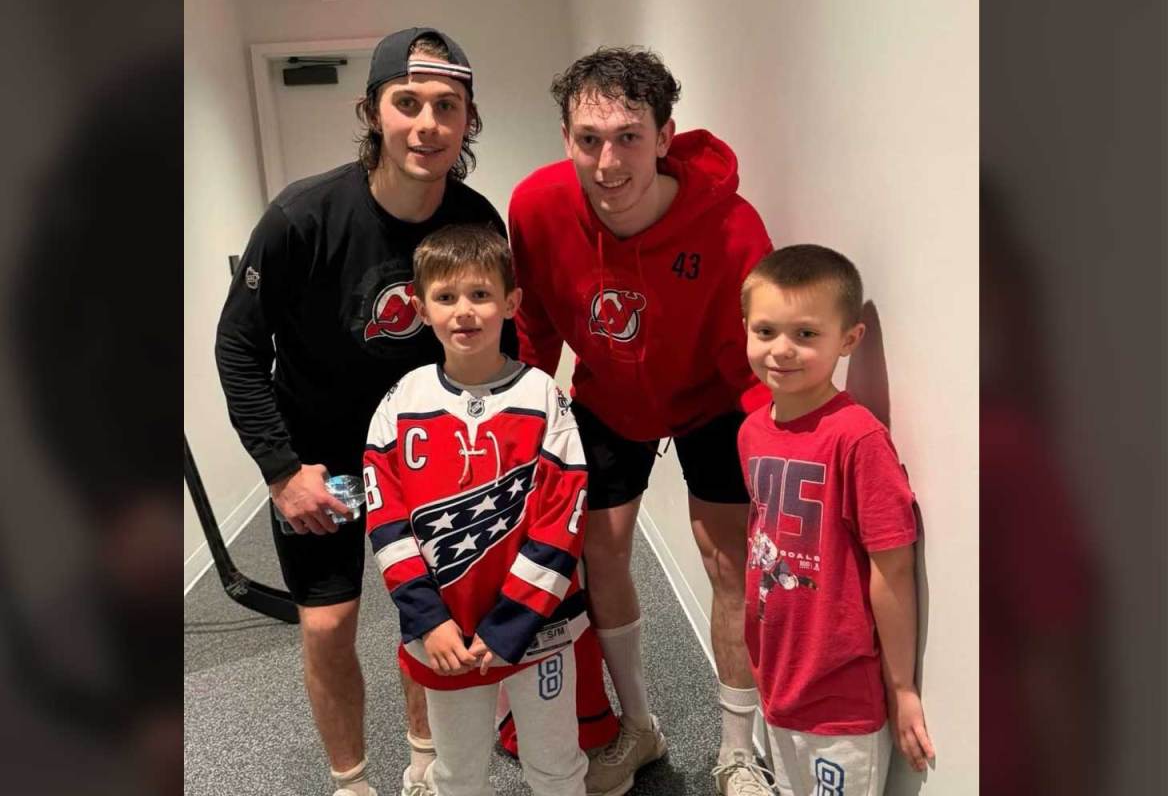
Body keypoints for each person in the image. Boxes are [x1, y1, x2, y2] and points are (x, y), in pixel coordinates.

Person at [215, 27, 510, 796]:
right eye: (407, 102)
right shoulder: (301, 217)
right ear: (373, 109)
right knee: (329, 621)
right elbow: (237, 350)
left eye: (447, 106)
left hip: (428, 461)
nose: (427, 123)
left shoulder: (476, 222)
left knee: (431, 615)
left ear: (468, 121)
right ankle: (351, 781)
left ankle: (423, 760)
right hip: (325, 464)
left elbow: (485, 343)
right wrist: (282, 474)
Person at [508, 46, 774, 795]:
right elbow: (534, 327)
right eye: (588, 139)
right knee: (600, 550)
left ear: (664, 136)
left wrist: (778, 457)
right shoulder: (535, 205)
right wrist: (524, 417)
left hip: (710, 397)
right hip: (607, 397)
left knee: (728, 563)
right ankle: (641, 727)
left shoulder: (730, 224)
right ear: (566, 140)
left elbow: (753, 356)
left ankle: (736, 749)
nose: (607, 160)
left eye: (628, 136)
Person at [363, 224, 590, 795]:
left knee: (557, 764)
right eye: (445, 297)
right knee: (458, 771)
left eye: (481, 295)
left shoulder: (542, 395)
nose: (464, 312)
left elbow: (562, 520)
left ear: (511, 302)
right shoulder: (400, 404)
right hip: (445, 633)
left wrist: (515, 618)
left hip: (539, 627)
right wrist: (428, 618)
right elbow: (387, 525)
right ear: (419, 307)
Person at [737, 245, 936, 795]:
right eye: (766, 330)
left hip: (839, 699)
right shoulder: (751, 431)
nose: (782, 350)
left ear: (848, 341)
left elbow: (892, 569)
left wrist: (903, 688)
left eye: (806, 334)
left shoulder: (858, 438)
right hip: (777, 677)